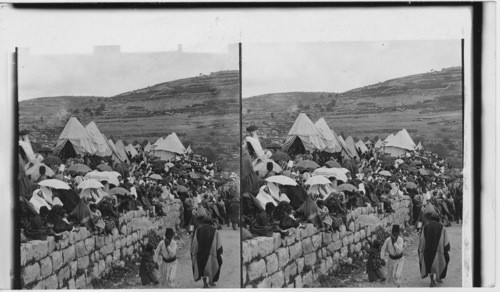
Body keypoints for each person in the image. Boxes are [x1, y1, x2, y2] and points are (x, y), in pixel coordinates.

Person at [418, 212, 450, 287]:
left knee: (429, 265)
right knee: (439, 263)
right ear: (438, 219)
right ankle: (438, 277)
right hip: (438, 251)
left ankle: (432, 281)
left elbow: (422, 239)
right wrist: (446, 248)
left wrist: (421, 250)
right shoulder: (441, 227)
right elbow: (446, 241)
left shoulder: (425, 227)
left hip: (428, 251)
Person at [191, 216, 223, 288]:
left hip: (201, 253)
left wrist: (193, 252)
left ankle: (205, 283)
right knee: (212, 267)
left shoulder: (198, 230)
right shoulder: (215, 231)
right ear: (211, 223)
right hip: (211, 254)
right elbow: (219, 244)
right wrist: (220, 251)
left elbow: (195, 243)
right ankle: (211, 281)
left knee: (202, 268)